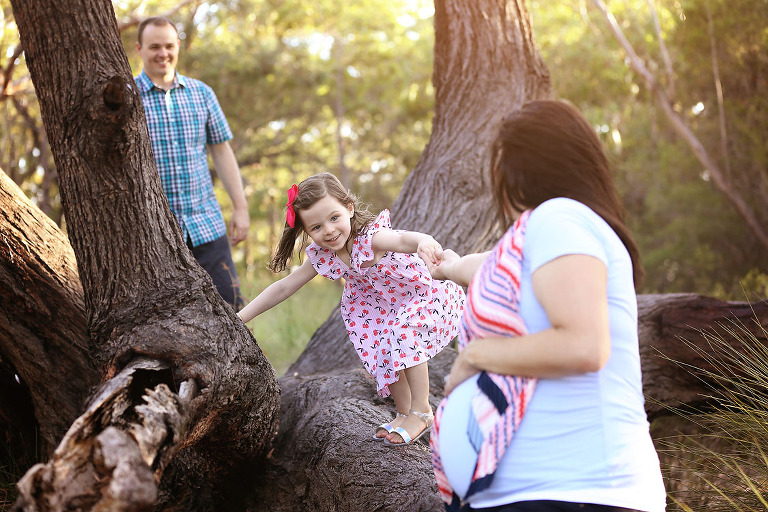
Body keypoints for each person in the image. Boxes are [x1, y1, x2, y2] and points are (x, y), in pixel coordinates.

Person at [428, 100, 666, 511]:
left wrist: (474, 356)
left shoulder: (558, 218)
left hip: (575, 492)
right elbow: (484, 265)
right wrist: (448, 267)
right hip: (541, 493)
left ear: (518, 171)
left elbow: (583, 346)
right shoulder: (545, 237)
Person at [238, 172, 465, 445]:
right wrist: (239, 318)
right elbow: (284, 287)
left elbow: (402, 240)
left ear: (349, 208)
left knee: (402, 333)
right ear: (307, 232)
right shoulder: (323, 255)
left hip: (423, 293)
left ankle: (422, 411)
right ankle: (404, 412)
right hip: (384, 308)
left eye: (334, 218)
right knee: (380, 344)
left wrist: (422, 241)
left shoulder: (370, 237)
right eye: (317, 227)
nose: (329, 230)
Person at [135, 16, 249, 309]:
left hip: (206, 226)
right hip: (154, 233)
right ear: (140, 49)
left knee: (232, 310)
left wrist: (240, 207)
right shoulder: (129, 98)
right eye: (154, 47)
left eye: (169, 46)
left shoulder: (202, 93)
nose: (163, 53)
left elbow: (221, 152)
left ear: (178, 46)